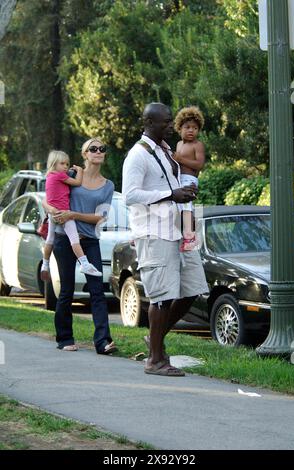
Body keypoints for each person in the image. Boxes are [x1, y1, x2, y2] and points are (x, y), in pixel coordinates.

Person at [122, 102, 208, 376]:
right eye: (167, 122)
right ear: (149, 122)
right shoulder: (137, 155)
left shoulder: (165, 150)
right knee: (160, 297)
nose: (172, 126)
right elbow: (130, 195)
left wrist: (182, 192)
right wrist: (171, 195)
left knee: (192, 289)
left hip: (178, 230)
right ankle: (155, 360)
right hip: (154, 232)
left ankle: (155, 340)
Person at [43, 139, 117, 354]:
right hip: (64, 239)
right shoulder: (72, 176)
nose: (98, 151)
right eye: (93, 148)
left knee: (97, 291)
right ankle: (64, 338)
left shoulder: (108, 185)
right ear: (84, 154)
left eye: (102, 148)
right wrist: (49, 208)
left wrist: (74, 215)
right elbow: (49, 197)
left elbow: (100, 218)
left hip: (90, 241)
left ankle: (102, 342)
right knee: (66, 290)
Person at [40, 150, 102, 281]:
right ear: (53, 164)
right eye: (62, 163)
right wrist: (79, 170)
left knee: (50, 239)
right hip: (63, 214)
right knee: (75, 240)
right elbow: (77, 183)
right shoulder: (59, 176)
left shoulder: (50, 177)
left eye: (67, 164)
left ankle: (45, 265)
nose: (66, 167)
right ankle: (84, 263)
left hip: (53, 214)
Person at [173, 106, 205, 252]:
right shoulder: (179, 144)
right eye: (187, 127)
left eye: (195, 128)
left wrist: (180, 159)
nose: (191, 130)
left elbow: (199, 164)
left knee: (187, 207)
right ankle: (183, 234)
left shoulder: (197, 145)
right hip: (178, 179)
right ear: (179, 128)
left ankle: (190, 236)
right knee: (178, 207)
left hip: (189, 179)